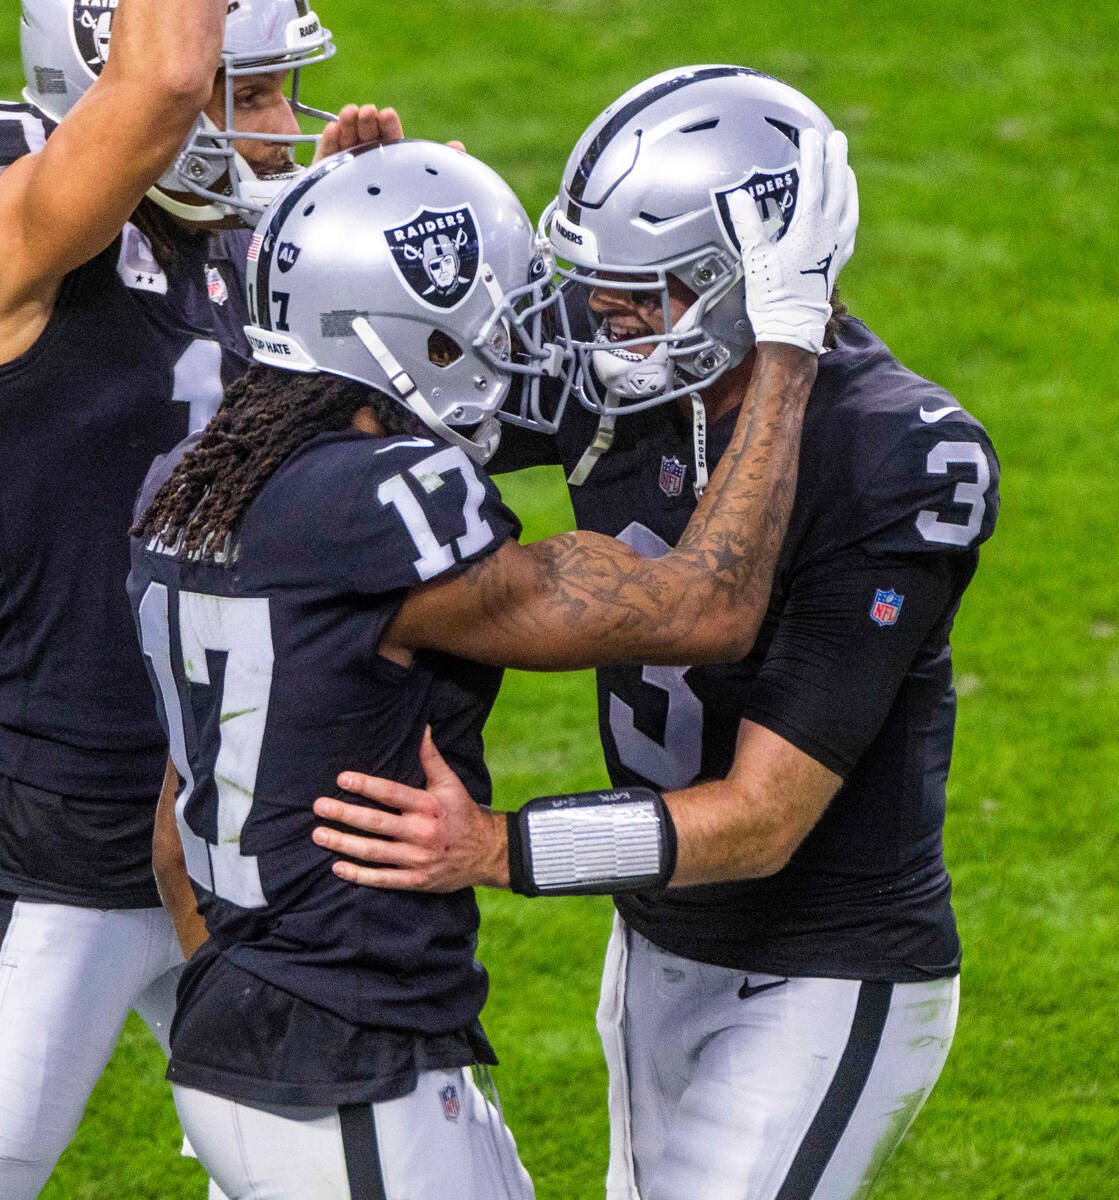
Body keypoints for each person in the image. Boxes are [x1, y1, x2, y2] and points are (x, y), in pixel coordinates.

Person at [310, 66, 1001, 1200]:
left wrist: (496, 846)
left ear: (757, 286)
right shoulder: (619, 373)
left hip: (826, 965)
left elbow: (766, 819)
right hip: (655, 945)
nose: (603, 318)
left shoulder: (902, 455)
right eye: (597, 285)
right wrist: (358, 229)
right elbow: (367, 415)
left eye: (651, 290)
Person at [126, 130, 855, 1198]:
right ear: (401, 337)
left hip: (256, 1041)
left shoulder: (194, 484)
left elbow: (171, 831)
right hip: (346, 1068)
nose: (518, 346)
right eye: (489, 319)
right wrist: (787, 341)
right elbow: (710, 604)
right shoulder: (386, 505)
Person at [0, 1, 379, 1193]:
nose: (276, 129)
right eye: (249, 92)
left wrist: (352, 245)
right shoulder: (26, 222)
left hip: (225, 829)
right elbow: (163, 88)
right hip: (50, 842)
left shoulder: (231, 235)